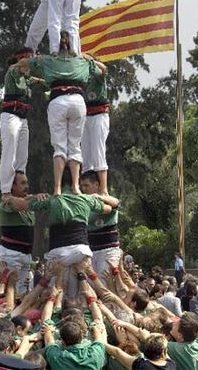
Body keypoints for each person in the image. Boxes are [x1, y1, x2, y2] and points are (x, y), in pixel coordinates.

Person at [3, 168, 113, 297]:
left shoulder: (50, 200)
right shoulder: (85, 199)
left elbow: (21, 205)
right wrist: (99, 196)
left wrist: (8, 197)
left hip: (58, 255)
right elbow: (108, 208)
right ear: (76, 181)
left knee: (56, 295)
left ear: (58, 180)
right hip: (81, 252)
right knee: (81, 296)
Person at [18, 32, 105, 194]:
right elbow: (103, 70)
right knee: (74, 147)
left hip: (58, 100)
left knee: (59, 147)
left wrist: (25, 64)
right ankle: (76, 186)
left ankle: (57, 187)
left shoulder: (47, 59)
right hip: (77, 101)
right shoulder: (81, 60)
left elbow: (22, 64)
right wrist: (89, 59)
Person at [0, 171, 44, 294]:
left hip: (25, 255)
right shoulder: (7, 202)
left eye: (27, 182)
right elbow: (20, 205)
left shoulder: (27, 201)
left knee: (22, 293)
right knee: (9, 293)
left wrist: (38, 197)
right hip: (11, 254)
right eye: (23, 183)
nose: (26, 186)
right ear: (12, 186)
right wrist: (33, 198)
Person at [0, 47, 35, 195]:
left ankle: (20, 189)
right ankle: (6, 191)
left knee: (22, 156)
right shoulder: (13, 70)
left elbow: (42, 83)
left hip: (22, 118)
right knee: (9, 153)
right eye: (28, 60)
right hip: (11, 116)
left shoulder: (26, 78)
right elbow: (19, 68)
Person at [80, 170, 121, 279]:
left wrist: (100, 197)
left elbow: (116, 202)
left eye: (86, 185)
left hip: (108, 251)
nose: (83, 189)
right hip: (91, 252)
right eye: (82, 186)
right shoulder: (84, 204)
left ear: (96, 185)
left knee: (106, 285)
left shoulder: (106, 201)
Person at [81, 60, 110, 194]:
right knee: (85, 153)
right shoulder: (83, 78)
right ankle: (87, 188)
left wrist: (89, 59)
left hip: (99, 115)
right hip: (86, 116)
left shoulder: (98, 75)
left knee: (98, 151)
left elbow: (104, 69)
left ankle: (103, 190)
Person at [105, 333, 176, 369]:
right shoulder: (171, 365)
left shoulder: (142, 365)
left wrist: (101, 341)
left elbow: (117, 353)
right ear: (164, 352)